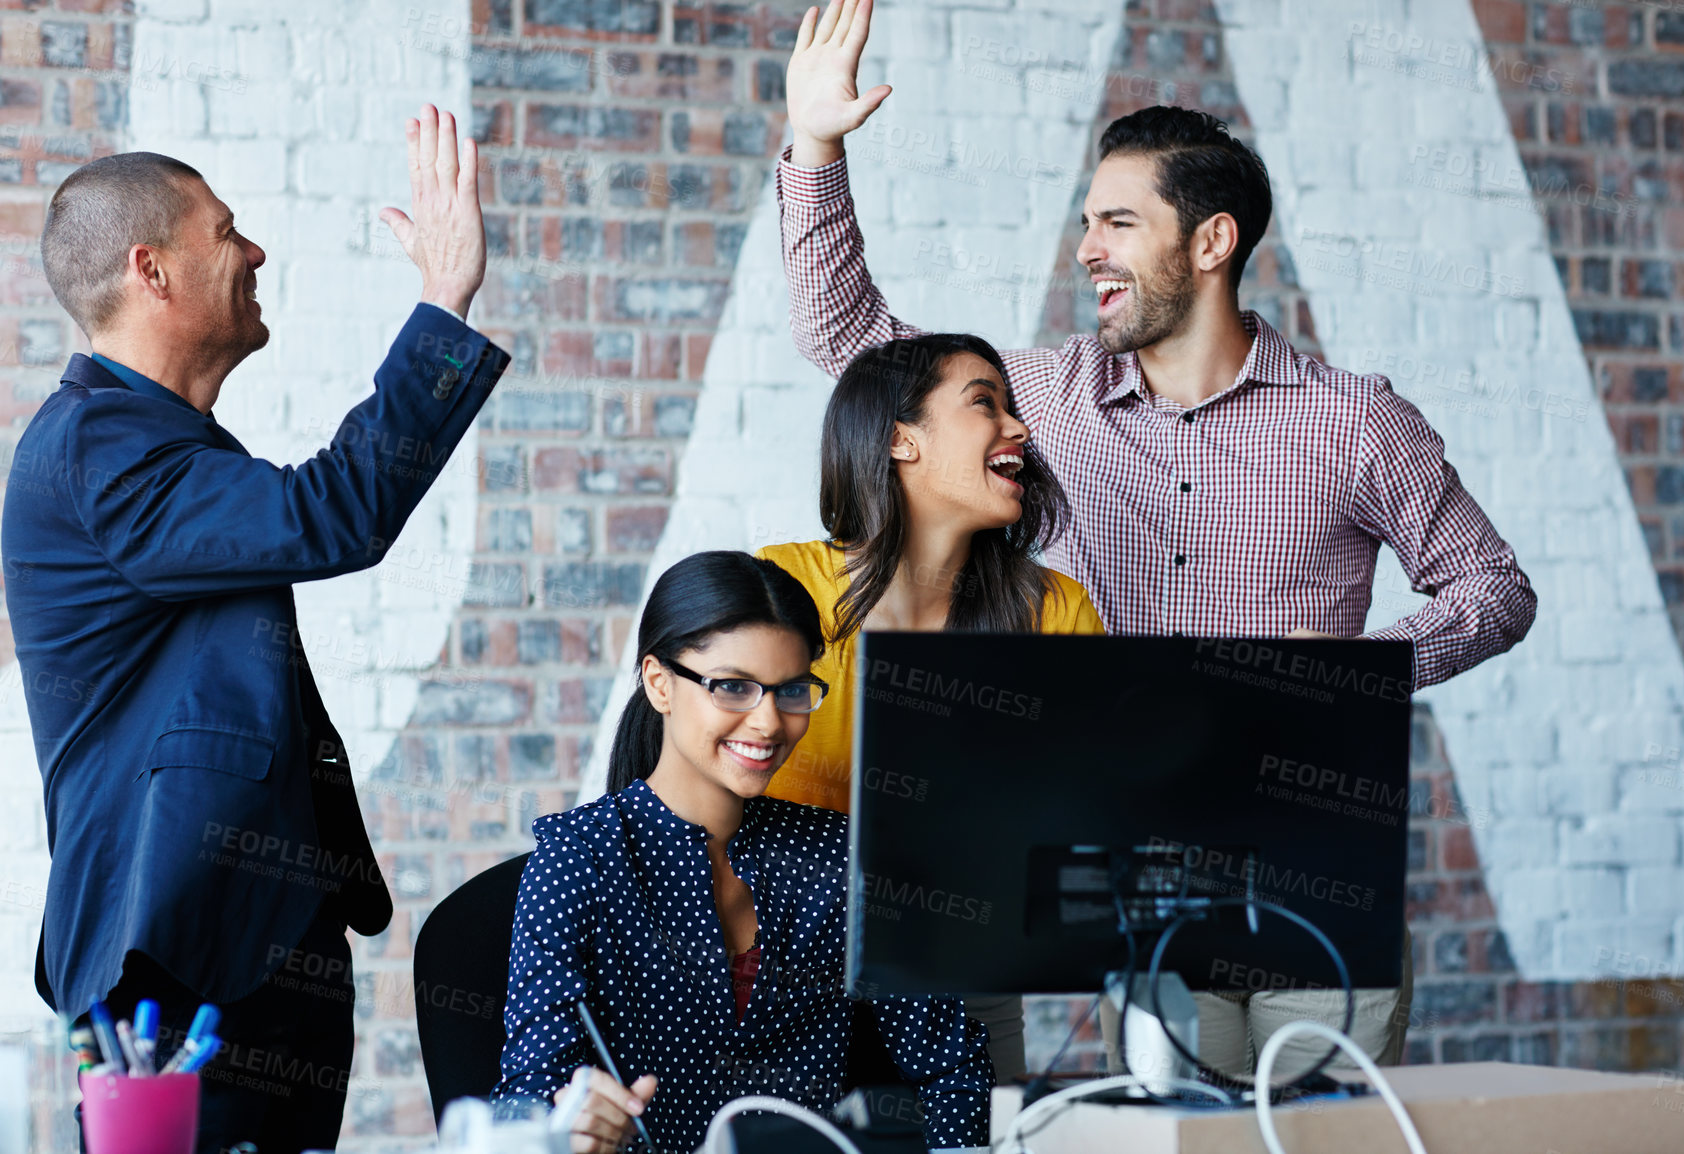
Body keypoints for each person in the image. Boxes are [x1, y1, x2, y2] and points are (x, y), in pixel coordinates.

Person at [777, 0, 1535, 1080]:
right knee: (1173, 1134)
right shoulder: (1042, 397)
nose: (1086, 248)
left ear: (1211, 241)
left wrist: (1367, 670)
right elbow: (853, 343)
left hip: (1307, 859)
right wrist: (814, 146)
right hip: (1133, 877)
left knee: (1321, 1137)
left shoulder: (1355, 420)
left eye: (1117, 223)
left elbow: (1493, 586)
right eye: (1089, 221)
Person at [3, 105, 504, 1153]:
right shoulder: (104, 444)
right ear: (152, 269)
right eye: (227, 231)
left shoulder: (158, 442)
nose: (256, 249)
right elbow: (336, 511)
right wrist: (443, 303)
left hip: (254, 941)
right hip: (179, 960)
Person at [494, 550, 992, 1153]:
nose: (768, 723)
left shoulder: (841, 856)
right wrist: (569, 1130)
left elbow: (954, 1069)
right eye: (732, 687)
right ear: (660, 684)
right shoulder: (579, 859)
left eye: (790, 691)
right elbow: (525, 1101)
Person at [757, 332, 1105, 1082]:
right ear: (899, 441)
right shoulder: (780, 592)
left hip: (964, 972)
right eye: (986, 404)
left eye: (1012, 407)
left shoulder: (1055, 613)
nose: (1019, 428)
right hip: (789, 979)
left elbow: (1085, 825)